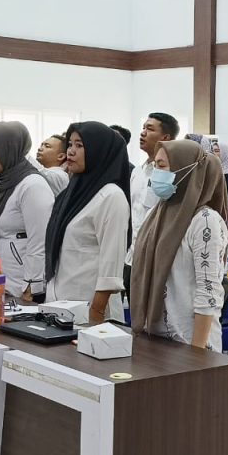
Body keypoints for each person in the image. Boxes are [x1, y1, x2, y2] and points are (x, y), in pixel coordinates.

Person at [131, 140, 228, 349]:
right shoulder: (156, 213)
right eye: (155, 166)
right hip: (155, 337)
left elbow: (209, 291)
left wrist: (197, 351)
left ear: (185, 169)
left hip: (190, 341)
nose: (156, 173)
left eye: (162, 166)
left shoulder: (204, 221)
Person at [45, 122, 131, 323]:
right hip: (59, 303)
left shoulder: (111, 196)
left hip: (91, 311)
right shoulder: (71, 192)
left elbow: (112, 261)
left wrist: (96, 312)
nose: (71, 151)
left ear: (99, 151)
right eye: (70, 144)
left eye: (80, 145)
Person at [0, 121, 55, 301]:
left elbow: (40, 240)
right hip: (0, 281)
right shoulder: (2, 183)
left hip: (21, 286)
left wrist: (32, 286)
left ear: (9, 150)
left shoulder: (32, 185)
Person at [126, 113, 179, 288]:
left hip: (156, 258)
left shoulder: (170, 174)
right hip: (132, 256)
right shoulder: (137, 172)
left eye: (149, 129)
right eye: (143, 128)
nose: (143, 133)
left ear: (165, 138)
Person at [210, 135, 228, 230]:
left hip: (225, 218)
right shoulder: (216, 171)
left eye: (217, 151)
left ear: (225, 153)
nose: (214, 154)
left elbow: (227, 199)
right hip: (214, 216)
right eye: (213, 151)